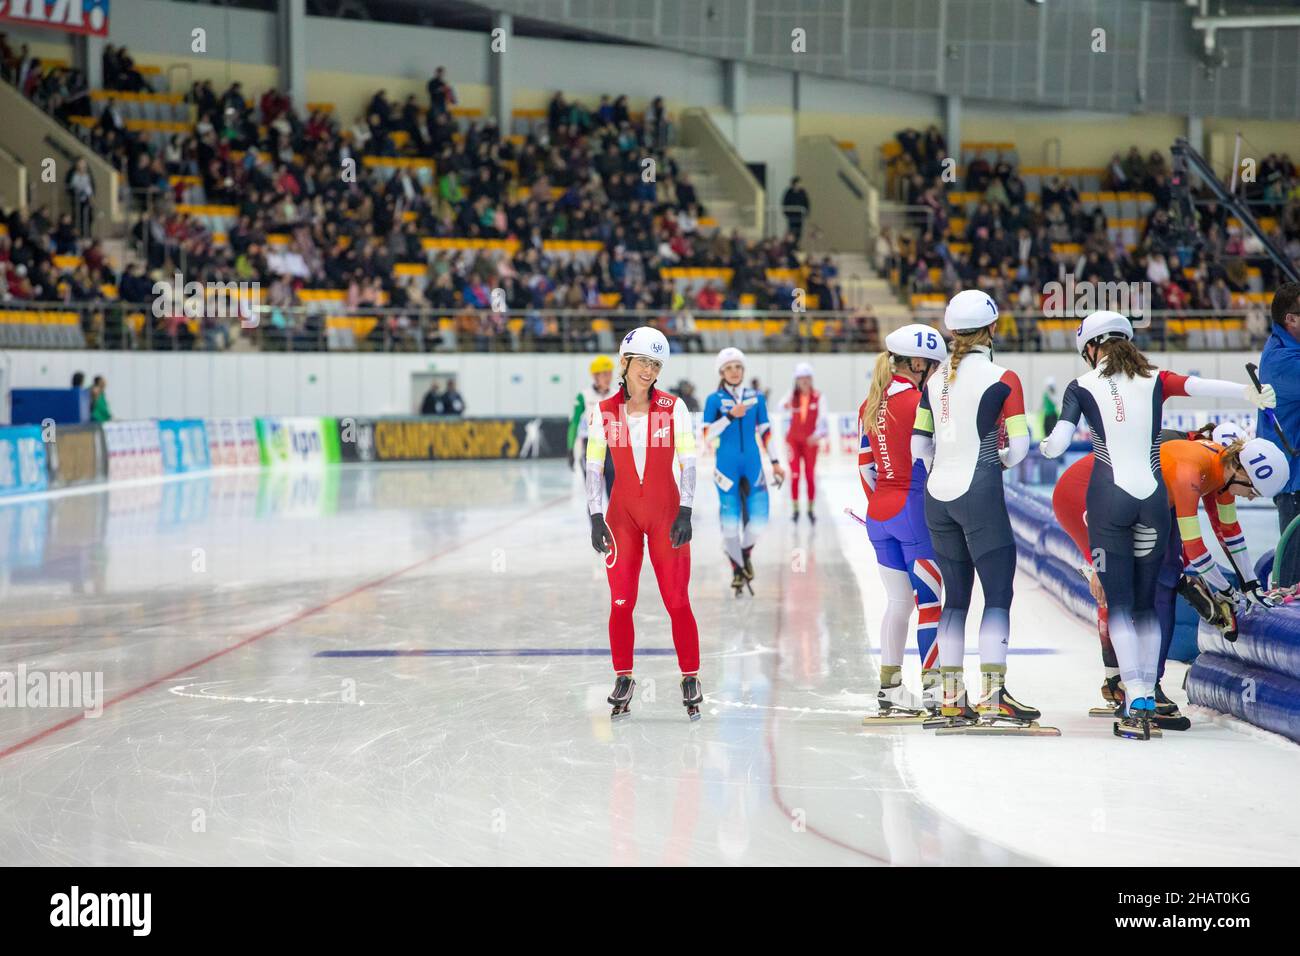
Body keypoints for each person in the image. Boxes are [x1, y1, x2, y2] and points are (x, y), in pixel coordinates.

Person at [1040, 310, 1276, 738]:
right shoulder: (1156, 380)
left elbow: (1056, 444)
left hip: (1104, 496)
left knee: (1127, 598)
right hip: (1140, 500)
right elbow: (1198, 386)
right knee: (1142, 597)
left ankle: (1133, 693)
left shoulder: (1083, 386)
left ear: (1091, 349)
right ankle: (1140, 690)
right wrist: (1248, 392)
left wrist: (1036, 444)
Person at [911, 290, 1035, 727]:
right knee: (997, 594)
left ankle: (949, 697)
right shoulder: (1005, 378)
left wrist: (942, 466)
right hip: (979, 491)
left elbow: (917, 445)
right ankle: (994, 694)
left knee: (955, 600)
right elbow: (1020, 448)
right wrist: (992, 462)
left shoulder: (934, 380)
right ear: (992, 328)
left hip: (936, 495)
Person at [586, 327, 702, 721]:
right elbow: (592, 467)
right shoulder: (602, 412)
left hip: (666, 514)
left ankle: (690, 675)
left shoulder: (674, 407)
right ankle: (623, 676)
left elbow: (688, 460)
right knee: (621, 602)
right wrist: (594, 514)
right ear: (625, 362)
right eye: (643, 362)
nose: (649, 370)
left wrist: (686, 509)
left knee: (677, 600)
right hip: (621, 519)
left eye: (656, 364)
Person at [858, 324, 948, 719]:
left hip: (879, 515)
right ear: (917, 363)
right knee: (930, 604)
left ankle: (890, 687)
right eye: (932, 366)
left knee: (897, 603)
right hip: (913, 513)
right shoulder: (920, 403)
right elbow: (937, 462)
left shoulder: (871, 403)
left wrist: (880, 504)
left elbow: (865, 468)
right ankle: (934, 691)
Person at [703, 347, 785, 596]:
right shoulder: (714, 400)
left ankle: (744, 555)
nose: (734, 371)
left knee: (759, 520)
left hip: (753, 465)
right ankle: (738, 569)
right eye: (729, 368)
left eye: (738, 367)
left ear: (743, 370)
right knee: (730, 526)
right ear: (722, 371)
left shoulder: (756, 397)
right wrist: (729, 416)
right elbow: (707, 435)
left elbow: (766, 431)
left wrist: (775, 462)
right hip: (726, 469)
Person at [1255, 281, 1300, 587]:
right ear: (1291, 319)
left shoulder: (1285, 348)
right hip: (1295, 480)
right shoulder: (1282, 363)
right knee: (1293, 575)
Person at [778, 362, 827, 523]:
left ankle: (811, 510)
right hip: (793, 441)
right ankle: (795, 509)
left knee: (810, 475)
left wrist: (818, 435)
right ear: (796, 380)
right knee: (795, 475)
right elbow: (780, 408)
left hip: (810, 442)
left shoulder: (819, 397)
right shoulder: (792, 396)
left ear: (811, 379)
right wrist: (788, 401)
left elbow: (824, 423)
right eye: (801, 378)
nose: (804, 381)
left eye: (807, 378)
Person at [568, 356, 617, 495]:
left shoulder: (616, 395)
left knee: (613, 492)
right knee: (593, 493)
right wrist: (570, 449)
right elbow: (574, 424)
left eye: (610, 373)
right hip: (591, 447)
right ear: (595, 376)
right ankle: (595, 517)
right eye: (604, 374)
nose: (608, 377)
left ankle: (613, 517)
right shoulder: (583, 396)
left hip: (611, 448)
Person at [781, 177, 810, 246]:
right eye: (798, 183)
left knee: (799, 232)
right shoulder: (788, 192)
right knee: (791, 231)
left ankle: (796, 244)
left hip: (800, 216)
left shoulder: (802, 192)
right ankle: (790, 244)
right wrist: (787, 213)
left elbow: (806, 203)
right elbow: (785, 203)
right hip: (791, 216)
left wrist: (806, 212)